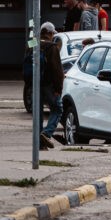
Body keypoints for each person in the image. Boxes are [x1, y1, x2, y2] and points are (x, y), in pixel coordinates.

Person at [38, 22, 64, 150]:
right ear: (49, 33)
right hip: (48, 85)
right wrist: (58, 88)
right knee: (57, 109)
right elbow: (57, 70)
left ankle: (40, 144)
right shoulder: (52, 47)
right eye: (53, 33)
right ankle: (46, 134)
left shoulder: (32, 45)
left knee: (38, 114)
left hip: (35, 85)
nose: (53, 35)